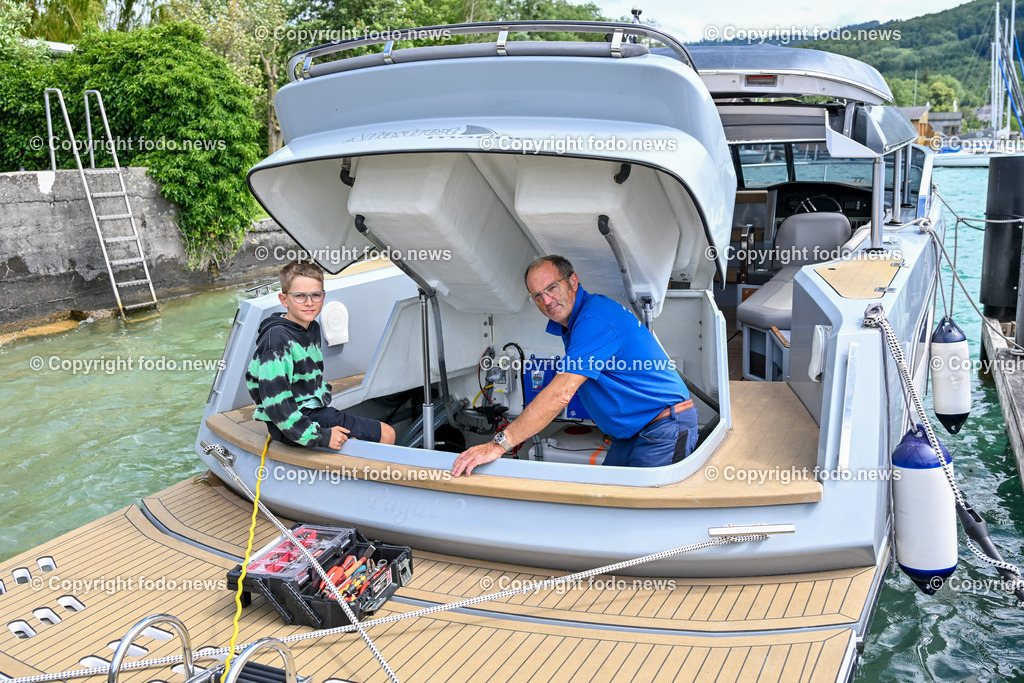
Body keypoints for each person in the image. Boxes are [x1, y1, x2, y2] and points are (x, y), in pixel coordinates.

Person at [452, 255, 697, 476]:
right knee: (607, 504)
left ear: (573, 282)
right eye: (537, 295)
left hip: (662, 428)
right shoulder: (577, 322)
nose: (546, 300)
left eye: (552, 288)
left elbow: (561, 393)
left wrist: (499, 445)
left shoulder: (595, 319)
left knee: (645, 516)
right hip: (631, 434)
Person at [246, 260, 396, 450]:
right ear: (284, 300)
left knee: (357, 443)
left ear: (323, 297)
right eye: (300, 296)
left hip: (311, 410)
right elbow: (277, 406)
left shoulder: (312, 327)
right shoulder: (276, 340)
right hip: (293, 423)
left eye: (315, 295)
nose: (309, 303)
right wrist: (321, 436)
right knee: (387, 434)